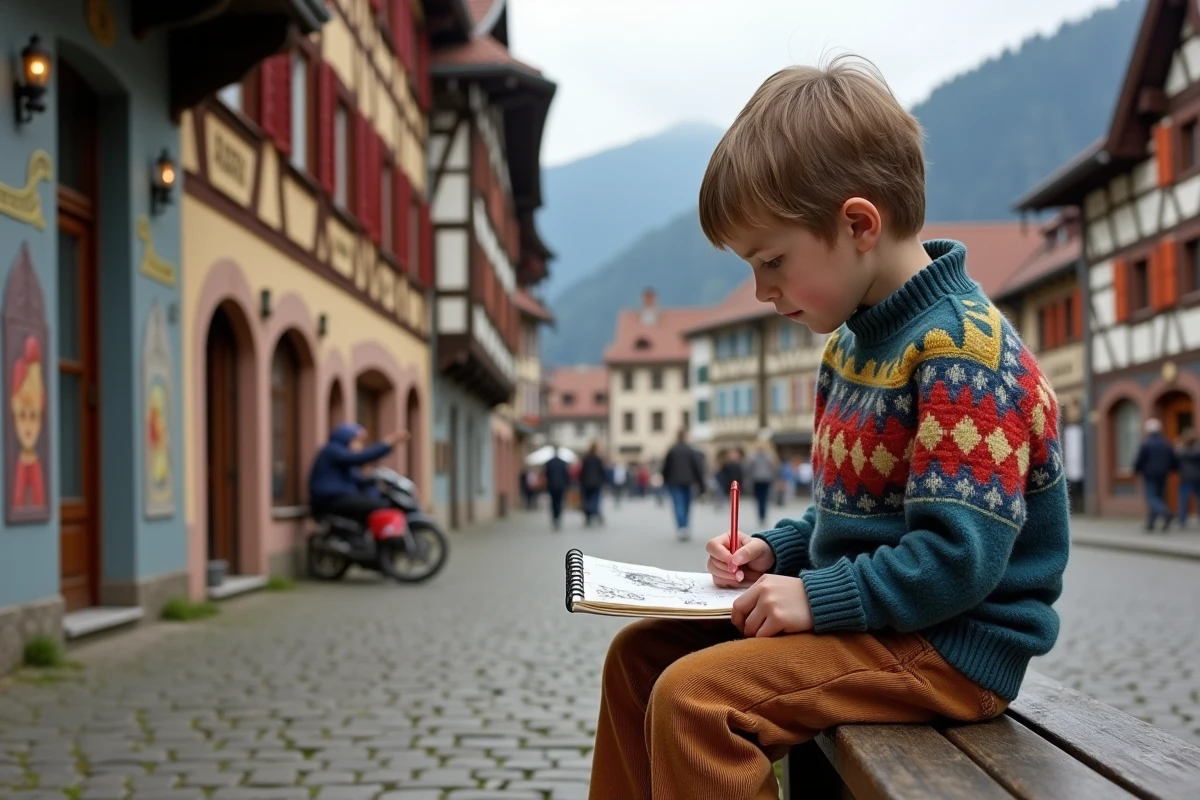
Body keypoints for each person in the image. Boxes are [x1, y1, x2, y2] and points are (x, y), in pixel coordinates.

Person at [588, 57, 1071, 800]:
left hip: (950, 647)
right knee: (638, 659)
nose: (760, 290)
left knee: (696, 702)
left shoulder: (964, 353)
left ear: (857, 225)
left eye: (773, 260)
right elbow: (851, 511)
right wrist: (774, 550)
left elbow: (955, 559)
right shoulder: (850, 344)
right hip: (884, 621)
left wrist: (815, 598)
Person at [308, 423, 407, 537]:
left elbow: (357, 480)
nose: (359, 445)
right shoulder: (333, 451)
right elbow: (359, 458)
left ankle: (360, 537)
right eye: (357, 441)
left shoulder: (342, 455)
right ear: (346, 438)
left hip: (340, 496)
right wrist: (386, 443)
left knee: (376, 500)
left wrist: (375, 482)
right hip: (329, 499)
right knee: (378, 505)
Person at [1134, 418, 1179, 532]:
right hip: (1163, 473)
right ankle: (1151, 524)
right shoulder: (1165, 443)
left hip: (1149, 474)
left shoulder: (1146, 443)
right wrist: (1174, 469)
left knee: (1151, 497)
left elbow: (1140, 459)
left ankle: (1166, 513)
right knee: (1158, 497)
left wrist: (1136, 469)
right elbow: (1173, 458)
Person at [661, 429, 706, 541]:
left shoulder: (672, 450)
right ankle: (685, 526)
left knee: (678, 504)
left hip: (674, 481)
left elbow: (666, 467)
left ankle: (681, 527)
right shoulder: (690, 450)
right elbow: (697, 468)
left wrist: (665, 480)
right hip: (688, 481)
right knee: (687, 505)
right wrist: (701, 484)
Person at [746, 443, 777, 525]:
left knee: (759, 499)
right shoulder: (768, 457)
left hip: (757, 480)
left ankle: (761, 516)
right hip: (766, 480)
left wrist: (749, 480)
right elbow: (773, 468)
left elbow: (749, 469)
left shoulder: (753, 457)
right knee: (764, 498)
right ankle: (763, 516)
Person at [579, 442, 607, 526]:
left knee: (587, 500)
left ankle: (588, 515)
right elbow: (601, 471)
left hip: (586, 483)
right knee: (595, 499)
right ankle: (594, 511)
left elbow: (582, 471)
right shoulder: (598, 459)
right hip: (596, 483)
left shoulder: (586, 459)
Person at [1177, 428, 1200, 528]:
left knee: (1184, 499)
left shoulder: (1180, 451)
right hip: (1198, 477)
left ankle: (1182, 520)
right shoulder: (1198, 450)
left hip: (1186, 478)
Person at [543, 446, 570, 531]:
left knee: (553, 502)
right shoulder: (563, 463)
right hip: (561, 485)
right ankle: (558, 516)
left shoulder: (549, 463)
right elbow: (566, 475)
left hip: (552, 485)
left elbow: (547, 475)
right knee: (559, 502)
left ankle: (554, 517)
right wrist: (567, 484)